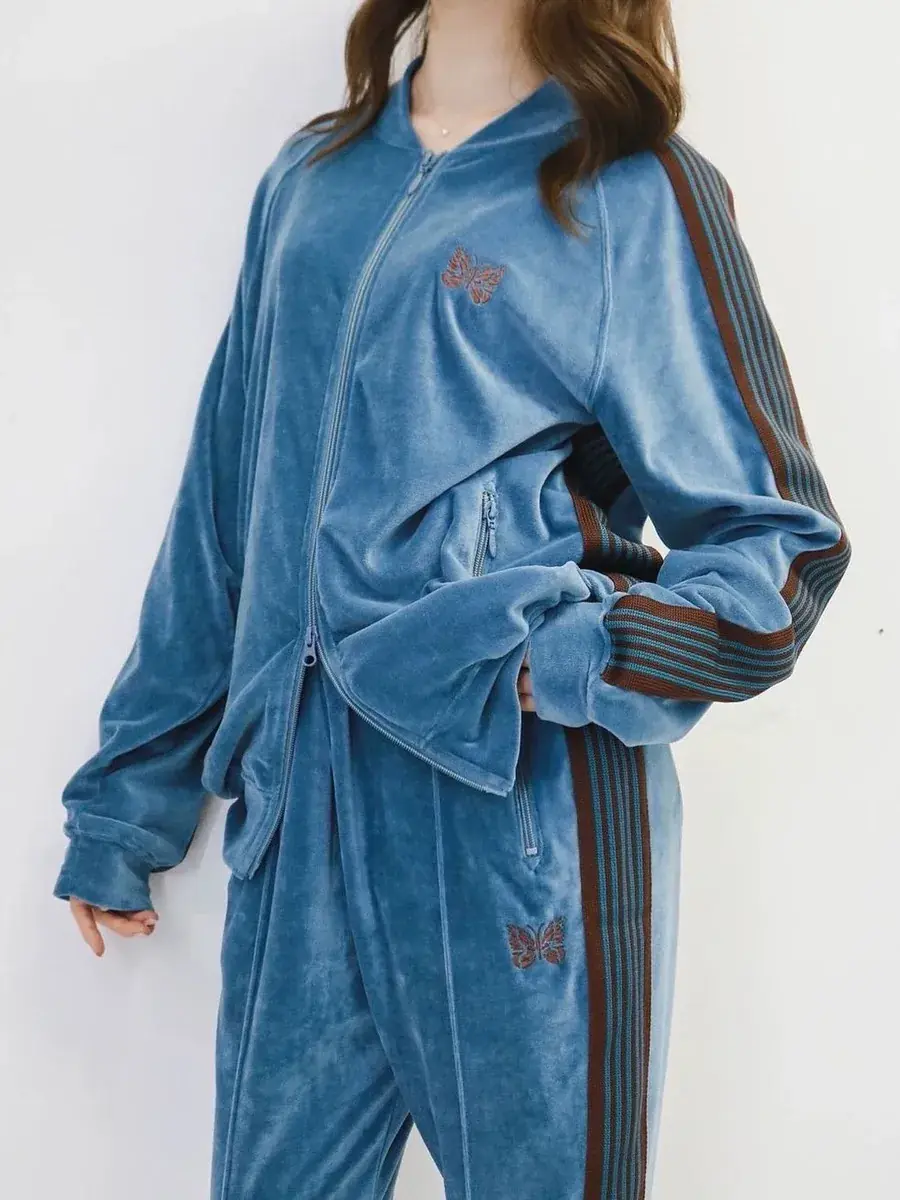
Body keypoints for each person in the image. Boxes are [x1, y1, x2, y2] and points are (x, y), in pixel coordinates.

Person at [52, 1, 851, 1196]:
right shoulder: (312, 180)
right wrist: (131, 798)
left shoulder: (632, 189)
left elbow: (780, 545)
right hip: (299, 812)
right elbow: (226, 502)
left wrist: (572, 654)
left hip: (521, 815)